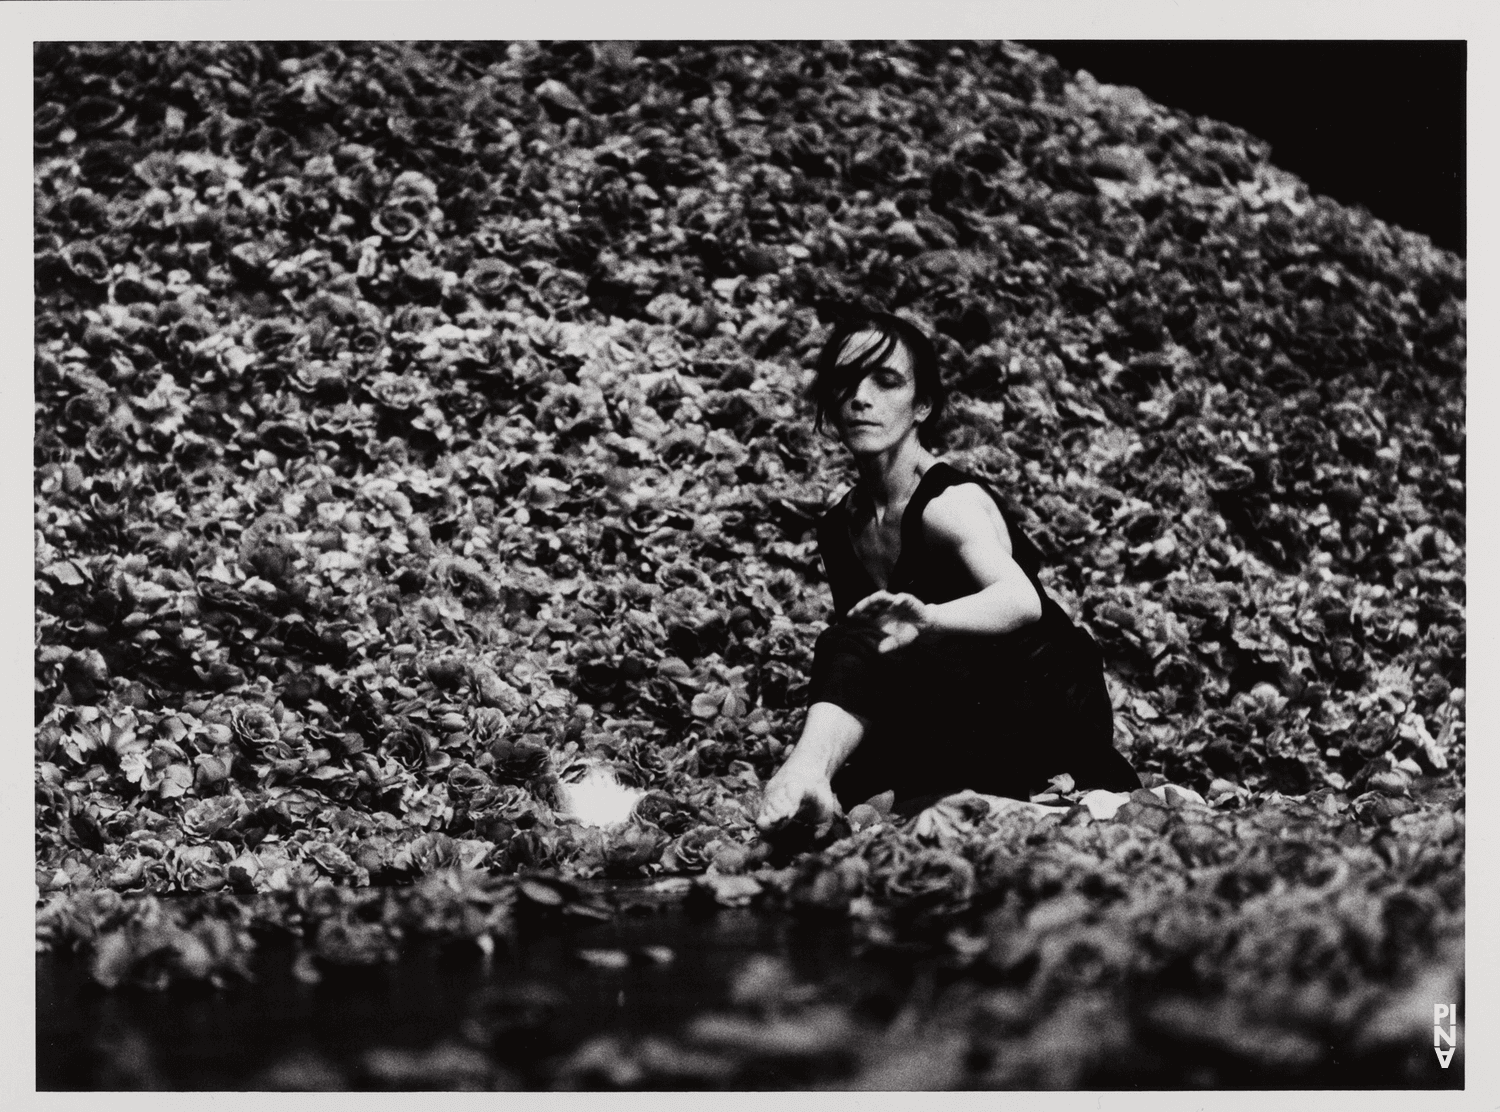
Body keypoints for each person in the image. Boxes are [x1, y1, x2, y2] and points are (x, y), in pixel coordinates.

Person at [756, 311, 1140, 830]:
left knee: (860, 655)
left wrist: (930, 619)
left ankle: (804, 771)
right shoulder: (841, 526)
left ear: (922, 406)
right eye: (845, 381)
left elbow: (1021, 602)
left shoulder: (949, 504)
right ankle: (810, 774)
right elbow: (865, 667)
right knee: (854, 643)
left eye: (886, 381)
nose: (860, 397)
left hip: (1044, 701)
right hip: (953, 697)